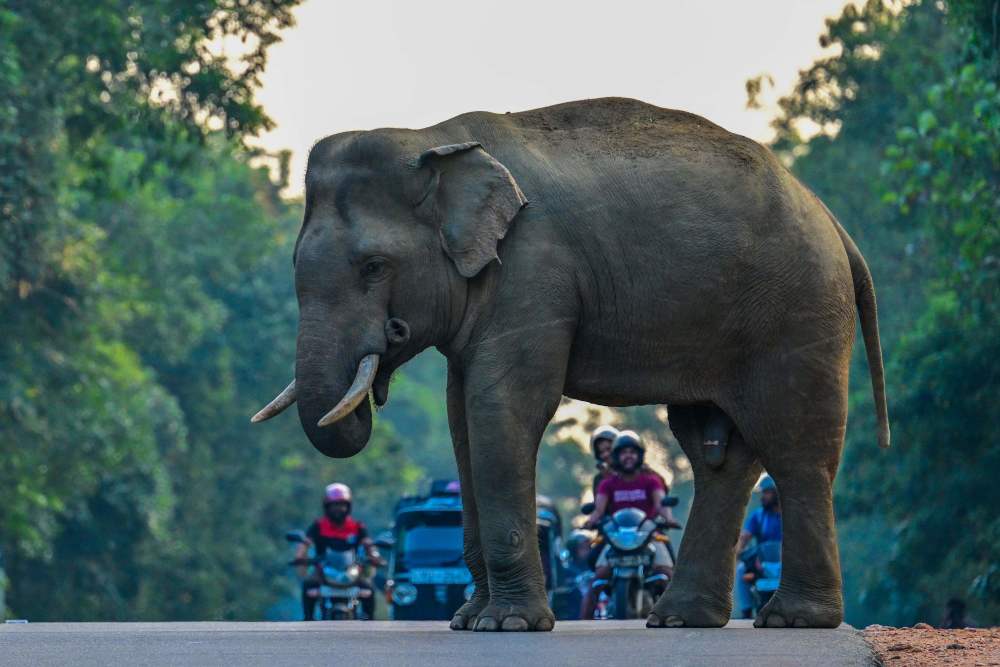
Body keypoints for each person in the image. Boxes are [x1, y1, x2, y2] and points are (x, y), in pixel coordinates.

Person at [581, 431, 677, 618]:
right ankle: (581, 623)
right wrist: (590, 521)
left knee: (668, 574)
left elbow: (660, 504)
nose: (628, 456)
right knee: (597, 579)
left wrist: (669, 518)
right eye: (624, 452)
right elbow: (599, 510)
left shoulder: (651, 480)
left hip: (648, 535)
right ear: (617, 456)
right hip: (616, 538)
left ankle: (675, 613)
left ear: (640, 455)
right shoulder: (607, 483)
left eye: (632, 452)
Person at [296, 482, 383, 620]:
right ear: (327, 507)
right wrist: (300, 556)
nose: (339, 509)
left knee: (368, 588)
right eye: (334, 505)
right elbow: (306, 543)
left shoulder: (357, 526)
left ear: (348, 506)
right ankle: (308, 619)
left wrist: (374, 556)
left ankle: (370, 620)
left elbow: (368, 544)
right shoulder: (318, 526)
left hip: (351, 572)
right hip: (324, 572)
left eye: (342, 505)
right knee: (308, 585)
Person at [735, 475, 782, 619]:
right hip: (762, 562)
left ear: (777, 493)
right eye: (763, 493)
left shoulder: (791, 514)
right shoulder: (758, 516)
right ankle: (746, 611)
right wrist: (738, 551)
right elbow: (745, 536)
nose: (763, 497)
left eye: (767, 493)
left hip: (786, 561)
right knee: (741, 569)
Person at [590, 425, 620, 498]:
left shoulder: (641, 472)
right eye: (601, 452)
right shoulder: (599, 479)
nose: (606, 455)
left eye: (609, 449)